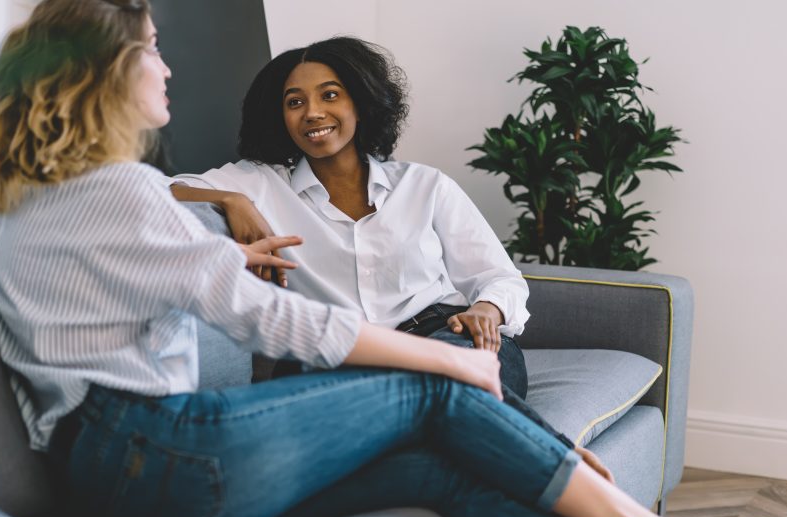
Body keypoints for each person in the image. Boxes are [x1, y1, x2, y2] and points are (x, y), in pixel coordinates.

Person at [0, 0, 787, 517]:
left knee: (437, 471)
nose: (167, 67)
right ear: (105, 68)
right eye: (151, 49)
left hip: (114, 474)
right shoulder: (120, 189)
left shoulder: (12, 195)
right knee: (437, 392)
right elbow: (270, 319)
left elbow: (110, 284)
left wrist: (217, 253)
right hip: (149, 449)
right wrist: (451, 360)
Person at [172, 37, 532, 399]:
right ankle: (537, 447)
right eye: (295, 102)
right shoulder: (260, 183)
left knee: (472, 370)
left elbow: (499, 277)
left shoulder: (425, 185)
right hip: (333, 358)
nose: (312, 112)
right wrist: (231, 199)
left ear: (361, 104)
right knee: (439, 399)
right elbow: (148, 190)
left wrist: (488, 308)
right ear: (281, 118)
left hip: (441, 332)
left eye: (330, 95)